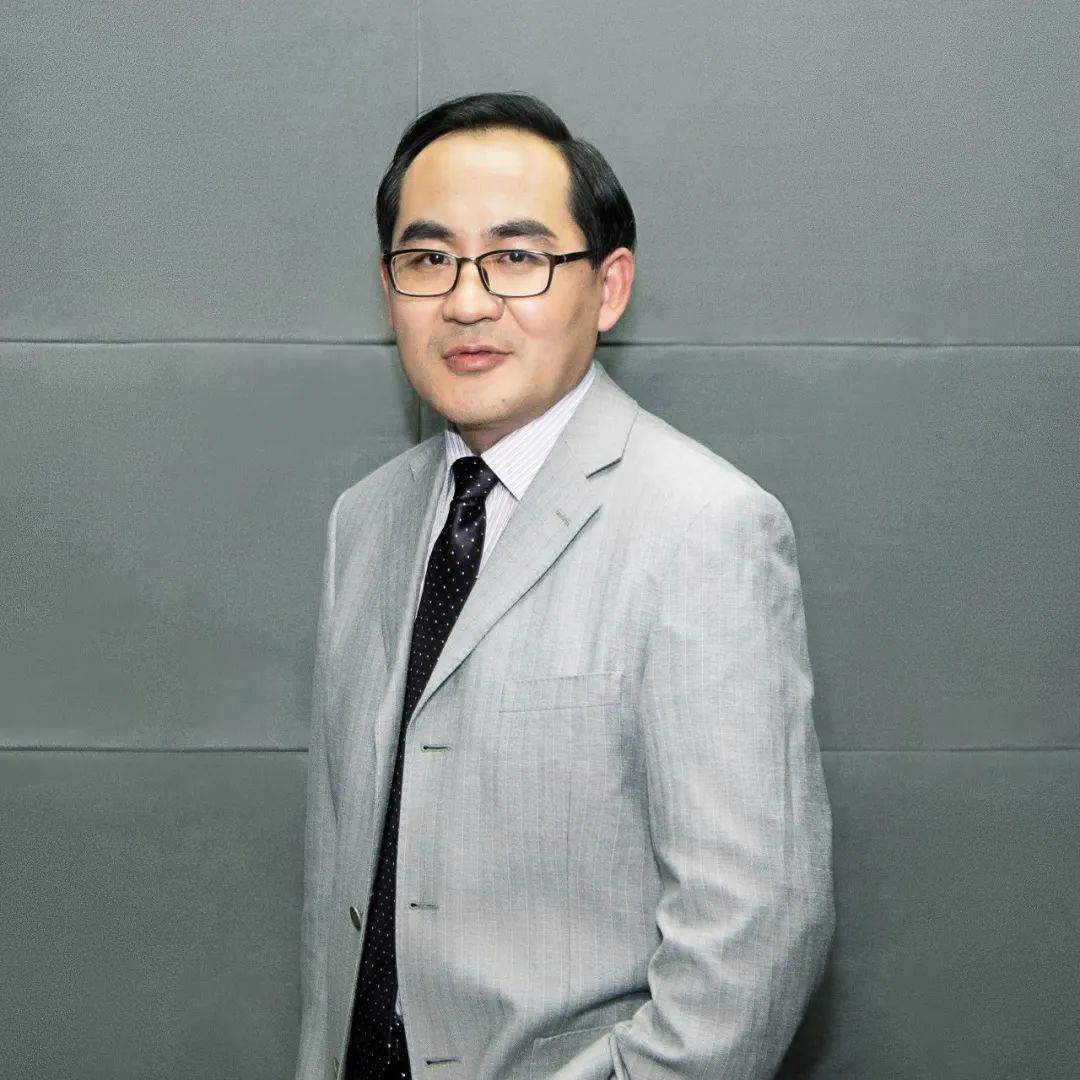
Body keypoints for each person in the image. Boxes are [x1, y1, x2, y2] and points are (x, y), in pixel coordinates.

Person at [295, 91, 833, 1080]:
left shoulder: (703, 526)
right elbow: (341, 886)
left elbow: (753, 942)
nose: (467, 302)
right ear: (388, 288)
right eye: (428, 260)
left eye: (517, 257)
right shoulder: (362, 523)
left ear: (609, 286)